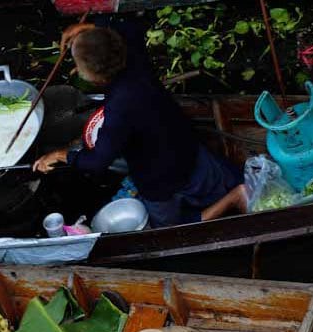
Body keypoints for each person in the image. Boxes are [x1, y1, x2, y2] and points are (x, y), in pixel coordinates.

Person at [33, 16, 247, 227]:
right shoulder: (133, 56)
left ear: (96, 77)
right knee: (204, 176)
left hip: (160, 176)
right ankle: (227, 188)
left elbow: (97, 162)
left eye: (79, 67)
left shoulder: (119, 107)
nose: (77, 70)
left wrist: (61, 155)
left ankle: (234, 198)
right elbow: (129, 26)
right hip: (183, 141)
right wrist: (89, 27)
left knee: (170, 227)